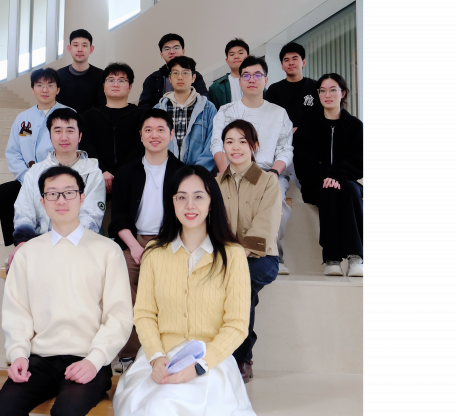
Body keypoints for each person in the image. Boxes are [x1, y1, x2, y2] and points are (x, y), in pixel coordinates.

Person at [113, 165, 259, 416]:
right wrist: (155, 358)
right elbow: (144, 314)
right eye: (181, 197)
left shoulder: (232, 255)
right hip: (159, 359)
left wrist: (200, 367)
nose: (189, 205)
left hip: (210, 362)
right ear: (172, 202)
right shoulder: (154, 253)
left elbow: (238, 324)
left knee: (167, 409)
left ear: (211, 201)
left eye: (198, 197)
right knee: (146, 409)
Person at [0, 166, 133, 416]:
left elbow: (119, 316)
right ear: (42, 203)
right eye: (52, 194)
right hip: (39, 359)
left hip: (88, 357)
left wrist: (94, 360)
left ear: (82, 198)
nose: (61, 200)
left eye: (69, 193)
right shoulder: (28, 253)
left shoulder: (107, 250)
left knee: (66, 415)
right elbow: (17, 312)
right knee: (2, 415)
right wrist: (18, 354)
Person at [109, 109, 186, 373]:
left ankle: (165, 349)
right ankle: (130, 352)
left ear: (171, 134)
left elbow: (188, 216)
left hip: (170, 242)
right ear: (141, 135)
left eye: (161, 130)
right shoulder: (127, 171)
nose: (155, 135)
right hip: (134, 241)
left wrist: (161, 246)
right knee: (119, 280)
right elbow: (118, 216)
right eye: (149, 130)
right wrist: (134, 246)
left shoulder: (183, 173)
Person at [212, 56, 295, 275]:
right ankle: (230, 253)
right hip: (231, 170)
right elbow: (217, 145)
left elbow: (285, 148)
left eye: (257, 75)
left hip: (269, 171)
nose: (251, 79)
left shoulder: (279, 113)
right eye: (246, 75)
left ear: (265, 80)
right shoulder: (226, 111)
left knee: (277, 200)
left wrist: (274, 173)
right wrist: (225, 173)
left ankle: (271, 252)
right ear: (239, 81)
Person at [218, 120, 283, 383]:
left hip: (261, 258)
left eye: (242, 141)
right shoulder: (215, 183)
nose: (235, 147)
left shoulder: (268, 181)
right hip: (226, 257)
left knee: (241, 283)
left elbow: (265, 224)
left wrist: (237, 257)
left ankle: (241, 357)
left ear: (254, 146)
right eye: (229, 141)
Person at [8, 108, 106, 266]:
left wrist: (63, 245)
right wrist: (23, 242)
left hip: (79, 246)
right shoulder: (35, 172)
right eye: (58, 131)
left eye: (70, 130)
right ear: (50, 136)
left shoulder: (93, 173)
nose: (64, 137)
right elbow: (24, 209)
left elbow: (91, 216)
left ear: (80, 135)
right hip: (38, 244)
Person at [293, 74, 364, 277]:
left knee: (349, 188)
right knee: (330, 190)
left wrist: (337, 176)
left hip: (347, 182)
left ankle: (355, 257)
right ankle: (332, 259)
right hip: (316, 185)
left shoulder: (355, 126)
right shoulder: (308, 127)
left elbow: (360, 160)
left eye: (333, 89)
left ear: (342, 93)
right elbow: (302, 162)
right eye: (322, 90)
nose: (327, 94)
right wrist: (326, 178)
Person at [0, 69, 75, 247]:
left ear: (58, 89)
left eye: (50, 85)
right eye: (39, 85)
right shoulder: (23, 118)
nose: (44, 89)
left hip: (59, 178)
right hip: (28, 178)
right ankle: (19, 244)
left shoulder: (68, 114)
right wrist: (26, 178)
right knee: (2, 194)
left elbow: (73, 147)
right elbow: (13, 152)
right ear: (33, 89)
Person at [81, 63, 149, 194]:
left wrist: (121, 174)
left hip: (132, 178)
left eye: (121, 80)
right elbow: (86, 146)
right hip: (96, 178)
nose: (115, 84)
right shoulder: (89, 116)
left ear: (130, 87)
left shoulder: (142, 115)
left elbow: (140, 146)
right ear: (104, 86)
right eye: (110, 80)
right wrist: (102, 171)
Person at [153, 56, 218, 172]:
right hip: (164, 174)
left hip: (198, 175)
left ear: (193, 77)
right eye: (175, 73)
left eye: (185, 73)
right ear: (170, 78)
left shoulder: (208, 108)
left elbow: (213, 143)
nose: (180, 77)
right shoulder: (158, 110)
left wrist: (196, 171)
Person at [138, 33, 209, 108]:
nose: (172, 51)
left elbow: (204, 101)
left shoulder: (195, 76)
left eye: (176, 47)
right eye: (167, 49)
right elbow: (144, 107)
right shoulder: (152, 79)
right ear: (161, 54)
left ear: (183, 51)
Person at [264, 43, 322, 131]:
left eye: (295, 58)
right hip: (282, 141)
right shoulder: (274, 90)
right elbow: (268, 118)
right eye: (286, 60)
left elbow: (322, 115)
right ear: (282, 66)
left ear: (303, 62)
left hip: (311, 140)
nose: (291, 63)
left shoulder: (315, 87)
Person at [56, 29, 107, 114]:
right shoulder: (59, 75)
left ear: (91, 49)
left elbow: (103, 106)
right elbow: (56, 106)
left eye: (84, 45)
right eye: (75, 45)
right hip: (65, 125)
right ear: (69, 49)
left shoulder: (101, 75)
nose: (80, 49)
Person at [208, 38, 251, 111]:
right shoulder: (216, 87)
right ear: (227, 60)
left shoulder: (257, 82)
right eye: (232, 54)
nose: (236, 56)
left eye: (240, 53)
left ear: (248, 57)